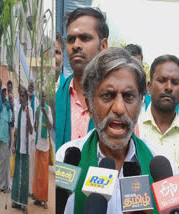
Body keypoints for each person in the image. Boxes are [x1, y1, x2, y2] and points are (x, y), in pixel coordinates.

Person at [56, 47, 178, 214]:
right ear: (90, 105)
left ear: (140, 104)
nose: (119, 108)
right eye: (108, 95)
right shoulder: (66, 159)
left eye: (128, 96)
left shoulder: (162, 165)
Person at [55, 7, 108, 151]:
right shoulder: (53, 99)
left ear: (103, 46)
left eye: (85, 38)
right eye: (71, 39)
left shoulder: (118, 104)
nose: (76, 45)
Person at [138, 55, 179, 169]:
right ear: (149, 87)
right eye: (162, 81)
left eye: (175, 82)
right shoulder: (133, 128)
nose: (169, 87)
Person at [11, 87, 33, 214]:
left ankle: (24, 204)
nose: (21, 98)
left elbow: (31, 130)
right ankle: (16, 200)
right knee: (17, 175)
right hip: (19, 147)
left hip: (27, 149)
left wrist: (29, 117)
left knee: (24, 177)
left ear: (27, 97)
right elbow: (16, 130)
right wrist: (14, 145)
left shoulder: (29, 110)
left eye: (23, 96)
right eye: (20, 96)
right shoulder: (18, 109)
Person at [32, 88, 53, 209]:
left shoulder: (48, 109)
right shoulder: (36, 110)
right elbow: (35, 127)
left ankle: (45, 200)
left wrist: (45, 114)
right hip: (37, 144)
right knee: (37, 173)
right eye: (42, 96)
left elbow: (50, 126)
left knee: (44, 175)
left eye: (45, 96)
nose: (43, 99)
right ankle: (38, 198)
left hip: (45, 147)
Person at [0, 86, 12, 192]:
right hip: (0, 136)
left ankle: (5, 185)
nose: (3, 94)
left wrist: (10, 137)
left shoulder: (9, 106)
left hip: (6, 136)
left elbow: (10, 124)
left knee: (5, 162)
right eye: (2, 92)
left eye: (5, 92)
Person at [27, 81, 39, 195]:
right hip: (24, 135)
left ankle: (31, 189)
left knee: (32, 163)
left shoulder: (36, 101)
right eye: (29, 86)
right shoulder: (24, 100)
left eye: (32, 87)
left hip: (33, 135)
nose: (30, 88)